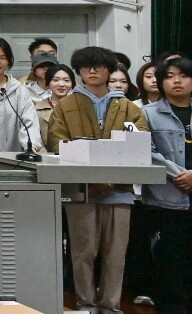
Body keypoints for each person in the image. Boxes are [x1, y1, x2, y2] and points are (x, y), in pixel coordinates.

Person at [46, 46, 149, 314]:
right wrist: (91, 180)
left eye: (98, 66)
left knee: (116, 255)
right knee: (83, 253)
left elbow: (139, 144)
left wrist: (110, 180)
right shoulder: (66, 105)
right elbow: (57, 143)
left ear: (109, 70)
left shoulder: (127, 106)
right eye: (86, 67)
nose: (92, 71)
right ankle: (86, 305)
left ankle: (111, 306)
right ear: (79, 71)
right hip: (81, 192)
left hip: (120, 191)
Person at [141, 56, 192, 314]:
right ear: (161, 82)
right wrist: (181, 175)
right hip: (165, 201)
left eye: (183, 75)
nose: (176, 81)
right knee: (169, 264)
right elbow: (146, 152)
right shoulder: (147, 114)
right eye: (169, 76)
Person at [35, 64, 76, 141]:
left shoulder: (80, 107)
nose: (61, 84)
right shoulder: (37, 110)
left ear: (72, 83)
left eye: (66, 80)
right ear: (48, 82)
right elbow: (35, 139)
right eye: (56, 80)